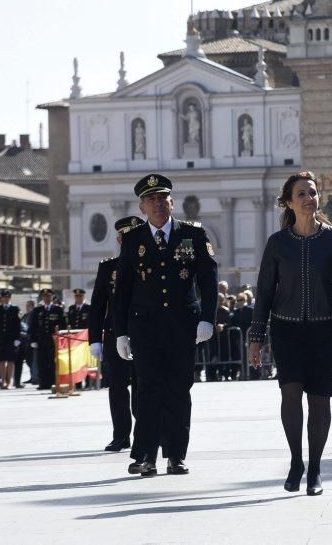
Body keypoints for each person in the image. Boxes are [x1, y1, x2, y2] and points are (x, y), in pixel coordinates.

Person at [247, 171, 332, 496]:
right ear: (289, 201)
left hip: (326, 329)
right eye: (301, 194)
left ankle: (314, 467)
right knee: (290, 392)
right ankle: (296, 460)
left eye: (312, 193)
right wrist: (255, 338)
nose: (308, 199)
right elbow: (264, 293)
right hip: (286, 330)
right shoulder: (277, 243)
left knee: (319, 400)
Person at [114, 174, 218, 477]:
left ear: (172, 202)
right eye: (151, 199)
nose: (158, 204)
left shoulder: (193, 235)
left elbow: (209, 281)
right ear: (142, 206)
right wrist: (120, 332)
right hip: (145, 328)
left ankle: (175, 455)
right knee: (146, 389)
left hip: (182, 326)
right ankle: (145, 455)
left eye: (163, 198)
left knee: (177, 389)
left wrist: (207, 319)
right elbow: (123, 290)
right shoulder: (133, 240)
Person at [89, 216, 143, 454]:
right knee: (118, 388)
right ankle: (120, 436)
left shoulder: (148, 264)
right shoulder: (108, 267)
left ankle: (145, 434)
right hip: (114, 335)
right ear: (120, 239)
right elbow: (98, 306)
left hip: (143, 335)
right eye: (126, 237)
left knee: (143, 387)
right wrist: (94, 340)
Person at [28, 289, 65, 391]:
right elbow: (33, 326)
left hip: (54, 341)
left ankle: (53, 382)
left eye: (48, 296)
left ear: (52, 297)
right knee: (42, 362)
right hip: (41, 341)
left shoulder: (58, 310)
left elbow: (62, 325)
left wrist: (61, 339)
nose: (46, 298)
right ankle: (43, 383)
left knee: (53, 362)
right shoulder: (37, 310)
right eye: (44, 296)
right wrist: (33, 340)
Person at [0, 290, 21, 389]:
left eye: (7, 297)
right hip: (0, 339)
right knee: (1, 360)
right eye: (3, 297)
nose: (5, 299)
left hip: (11, 339)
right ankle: (3, 380)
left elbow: (17, 325)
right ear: (1, 298)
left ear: (9, 298)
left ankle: (9, 381)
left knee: (11, 360)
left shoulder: (15, 309)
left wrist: (17, 338)